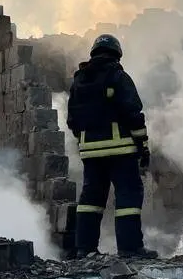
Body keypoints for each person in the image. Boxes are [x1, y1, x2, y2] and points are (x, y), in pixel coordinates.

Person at [66, 33, 157, 260]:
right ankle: (129, 248)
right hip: (121, 150)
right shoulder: (118, 76)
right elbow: (134, 114)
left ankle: (84, 249)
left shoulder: (79, 81)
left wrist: (85, 141)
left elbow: (72, 120)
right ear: (117, 54)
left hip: (90, 152)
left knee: (91, 199)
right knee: (128, 196)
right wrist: (143, 146)